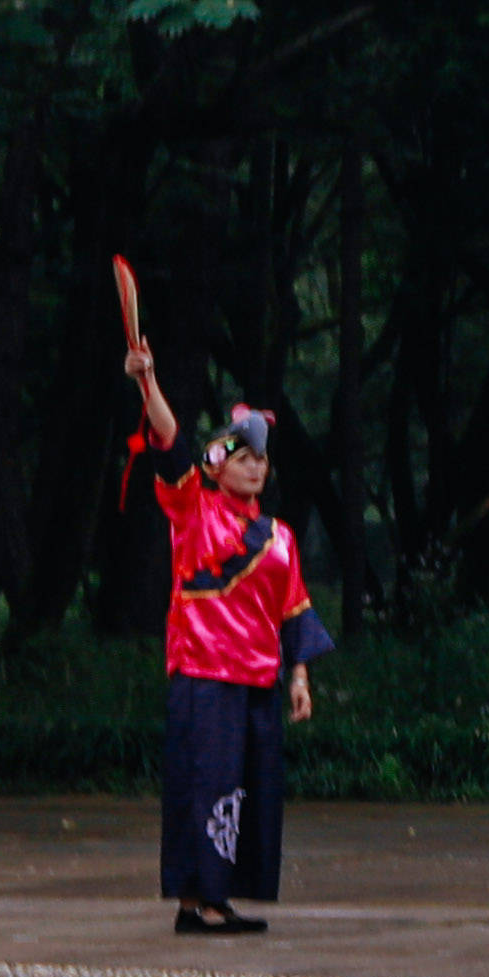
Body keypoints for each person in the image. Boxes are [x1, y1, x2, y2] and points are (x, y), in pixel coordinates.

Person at [118, 324, 314, 935]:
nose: (256, 468)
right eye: (245, 456)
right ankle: (197, 902)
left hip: (257, 678)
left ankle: (215, 897)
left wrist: (299, 675)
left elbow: (294, 610)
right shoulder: (192, 508)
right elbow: (169, 439)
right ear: (220, 462)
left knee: (244, 791)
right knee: (203, 785)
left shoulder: (278, 536)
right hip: (204, 674)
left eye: (262, 459)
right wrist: (147, 378)